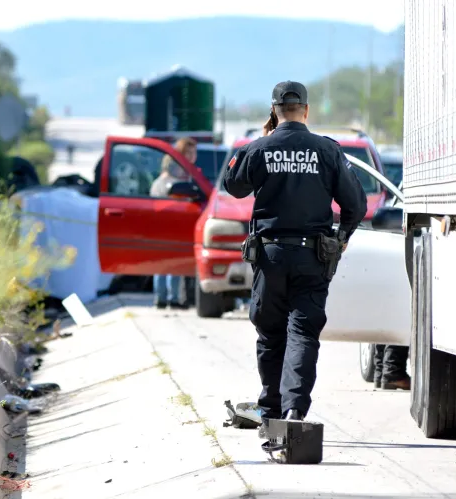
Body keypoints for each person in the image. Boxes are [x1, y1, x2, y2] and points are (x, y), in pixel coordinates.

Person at [223, 81, 367, 441]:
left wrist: (260, 142)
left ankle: (270, 407)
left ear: (274, 111)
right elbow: (356, 205)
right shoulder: (328, 151)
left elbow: (233, 185)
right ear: (306, 110)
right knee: (302, 333)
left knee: (270, 333)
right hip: (312, 257)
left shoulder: (259, 148)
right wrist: (343, 236)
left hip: (270, 257)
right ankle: (294, 410)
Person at [150, 137, 197, 309]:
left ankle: (162, 298)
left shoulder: (165, 178)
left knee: (164, 263)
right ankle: (173, 298)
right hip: (170, 224)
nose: (193, 156)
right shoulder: (174, 179)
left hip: (163, 224)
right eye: (190, 152)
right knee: (173, 262)